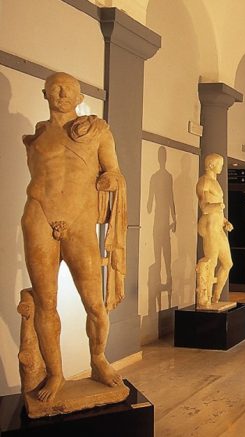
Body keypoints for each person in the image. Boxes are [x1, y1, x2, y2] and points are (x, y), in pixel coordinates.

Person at [21, 72, 126, 402]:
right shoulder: (38, 136)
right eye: (55, 88)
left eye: (69, 89)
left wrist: (110, 180)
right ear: (45, 94)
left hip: (80, 222)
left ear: (80, 98)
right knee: (46, 302)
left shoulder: (97, 130)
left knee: (94, 304)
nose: (62, 93)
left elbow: (114, 170)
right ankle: (56, 373)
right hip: (39, 216)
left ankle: (98, 359)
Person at [195, 154, 233, 307]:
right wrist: (218, 206)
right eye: (220, 164)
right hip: (210, 227)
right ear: (211, 165)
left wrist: (225, 221)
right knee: (211, 263)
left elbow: (217, 210)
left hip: (218, 227)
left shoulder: (215, 182)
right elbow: (204, 207)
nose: (221, 167)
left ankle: (216, 296)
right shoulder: (204, 181)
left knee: (227, 264)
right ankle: (206, 299)